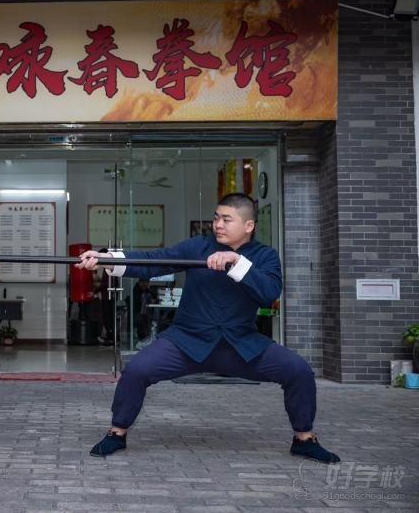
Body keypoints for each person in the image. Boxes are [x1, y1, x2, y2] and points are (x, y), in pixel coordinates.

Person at [76, 193, 340, 464]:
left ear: (248, 225)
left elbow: (269, 293)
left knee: (299, 371)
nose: (218, 225)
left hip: (241, 345)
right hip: (186, 341)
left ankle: (304, 439)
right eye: (216, 218)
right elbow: (155, 259)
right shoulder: (198, 246)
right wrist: (107, 259)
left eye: (227, 219)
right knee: (136, 370)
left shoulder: (266, 256)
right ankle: (117, 433)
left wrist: (236, 262)